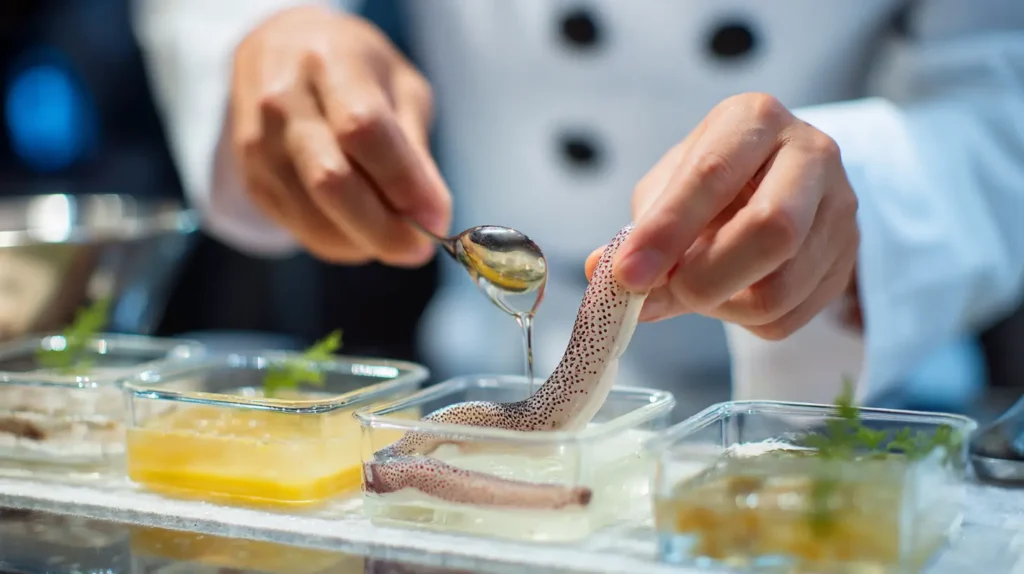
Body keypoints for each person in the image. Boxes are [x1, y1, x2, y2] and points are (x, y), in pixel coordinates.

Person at [130, 0, 1024, 407]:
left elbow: (1002, 98)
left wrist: (854, 201)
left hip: (865, 398)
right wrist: (261, 28)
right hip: (472, 368)